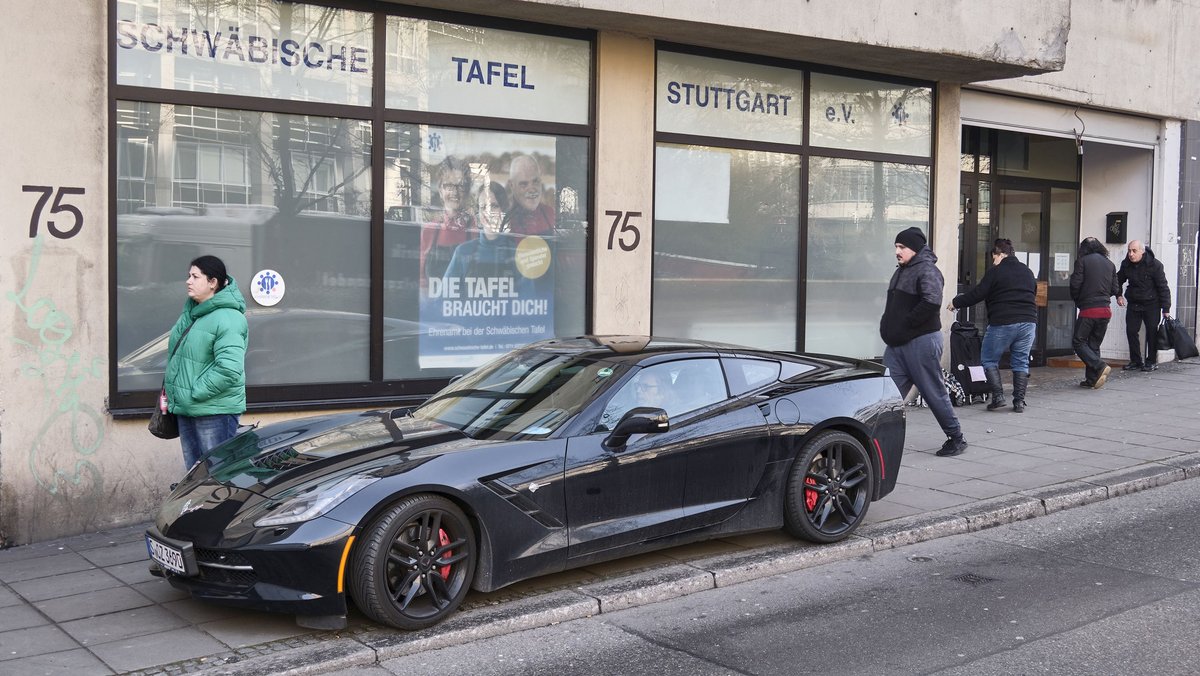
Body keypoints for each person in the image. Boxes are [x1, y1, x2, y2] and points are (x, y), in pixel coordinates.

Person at [880, 227, 967, 457]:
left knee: (933, 391)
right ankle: (875, 440)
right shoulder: (901, 271)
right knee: (884, 393)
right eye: (896, 247)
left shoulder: (927, 270)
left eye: (902, 247)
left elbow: (930, 303)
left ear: (915, 249)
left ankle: (956, 437)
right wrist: (888, 326)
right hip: (898, 345)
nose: (897, 251)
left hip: (921, 342)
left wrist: (904, 325)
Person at [164, 255, 248, 470]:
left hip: (213, 410)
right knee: (195, 477)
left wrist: (195, 392)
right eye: (188, 276)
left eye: (195, 276)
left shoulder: (228, 317)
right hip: (188, 408)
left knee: (217, 477)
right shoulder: (194, 313)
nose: (188, 281)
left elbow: (229, 369)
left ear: (213, 283)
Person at [947, 238, 1038, 412]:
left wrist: (956, 302)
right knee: (1020, 361)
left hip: (1003, 321)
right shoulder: (1027, 271)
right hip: (1028, 322)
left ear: (1000, 254)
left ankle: (998, 398)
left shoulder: (995, 272)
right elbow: (1032, 292)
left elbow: (977, 294)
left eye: (994, 257)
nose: (993, 261)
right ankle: (1019, 402)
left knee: (988, 359)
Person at [1069, 237, 1120, 389]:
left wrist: (1078, 300)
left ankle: (1099, 366)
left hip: (1089, 309)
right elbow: (1115, 289)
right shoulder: (1110, 264)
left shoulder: (1082, 262)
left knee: (1078, 342)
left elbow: (1075, 285)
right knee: (1094, 345)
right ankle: (1092, 379)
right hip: (1105, 310)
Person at [443, 182, 518, 282]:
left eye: (494, 206)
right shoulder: (463, 252)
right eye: (483, 207)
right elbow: (444, 296)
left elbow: (528, 296)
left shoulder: (516, 254)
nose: (488, 212)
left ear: (504, 209)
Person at [420, 157, 475, 291]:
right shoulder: (429, 231)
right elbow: (421, 283)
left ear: (466, 190)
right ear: (440, 190)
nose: (455, 192)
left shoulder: (475, 231)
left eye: (460, 185)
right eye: (449, 186)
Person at [1116, 239, 1171, 372]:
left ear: (1142, 251)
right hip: (1134, 303)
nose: (1131, 254)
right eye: (1129, 251)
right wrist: (1118, 295)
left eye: (1134, 251)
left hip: (1152, 303)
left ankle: (1151, 361)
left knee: (1152, 332)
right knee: (1131, 331)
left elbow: (1163, 287)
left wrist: (1166, 308)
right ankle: (1135, 361)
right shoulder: (1126, 264)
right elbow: (1118, 280)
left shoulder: (1155, 265)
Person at [506, 154, 555, 236]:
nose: (532, 189)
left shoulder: (550, 214)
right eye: (524, 184)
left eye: (535, 181)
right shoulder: (504, 220)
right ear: (512, 185)